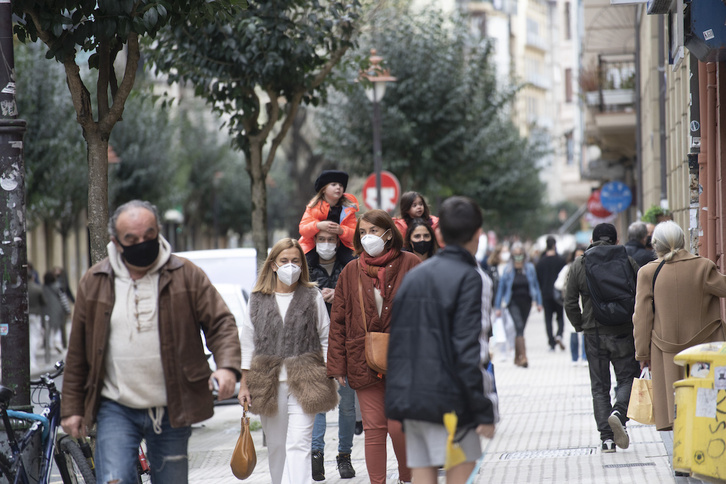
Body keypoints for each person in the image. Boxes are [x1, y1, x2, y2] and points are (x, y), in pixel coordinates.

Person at [61, 200, 242, 484]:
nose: (142, 243)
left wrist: (227, 367)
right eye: (132, 239)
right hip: (115, 405)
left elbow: (221, 322)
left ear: (158, 232)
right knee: (115, 479)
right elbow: (78, 349)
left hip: (173, 404)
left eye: (149, 235)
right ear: (116, 242)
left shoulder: (186, 274)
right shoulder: (95, 281)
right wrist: (72, 408)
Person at [386, 196, 498, 484]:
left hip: (412, 399)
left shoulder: (414, 276)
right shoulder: (472, 277)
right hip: (452, 401)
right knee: (460, 472)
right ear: (478, 234)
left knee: (423, 473)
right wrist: (482, 408)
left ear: (438, 233)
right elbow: (469, 348)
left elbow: (397, 343)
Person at [327, 209, 420, 484]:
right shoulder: (350, 270)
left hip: (404, 359)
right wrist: (337, 364)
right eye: (363, 232)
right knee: (374, 428)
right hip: (362, 357)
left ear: (389, 234)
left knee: (398, 425)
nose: (368, 237)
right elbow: (339, 320)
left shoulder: (411, 263)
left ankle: (407, 478)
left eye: (374, 231)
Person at [238, 238, 338, 484]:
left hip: (307, 380)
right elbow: (247, 341)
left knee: (299, 444)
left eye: (295, 261)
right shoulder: (258, 298)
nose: (290, 266)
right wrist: (243, 383)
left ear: (302, 265)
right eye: (284, 261)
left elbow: (325, 336)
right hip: (267, 382)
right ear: (273, 265)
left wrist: (328, 373)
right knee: (276, 446)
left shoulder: (312, 295)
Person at [633, 221, 726, 431]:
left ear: (656, 245)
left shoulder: (647, 273)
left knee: (675, 413)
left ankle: (682, 453)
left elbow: (642, 316)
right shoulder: (702, 267)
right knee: (705, 411)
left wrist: (642, 353)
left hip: (665, 353)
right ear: (683, 242)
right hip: (703, 352)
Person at [564, 223, 640, 453]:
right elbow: (642, 294)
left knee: (599, 387)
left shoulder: (580, 263)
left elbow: (569, 302)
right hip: (624, 331)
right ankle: (619, 412)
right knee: (628, 379)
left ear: (591, 240)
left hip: (594, 334)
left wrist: (580, 325)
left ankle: (607, 440)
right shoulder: (627, 260)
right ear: (616, 240)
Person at [306, 231, 357, 480]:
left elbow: (362, 299)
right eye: (321, 238)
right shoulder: (304, 267)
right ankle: (316, 455)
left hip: (345, 344)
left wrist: (340, 295)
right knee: (318, 404)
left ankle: (344, 456)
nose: (326, 243)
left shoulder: (350, 265)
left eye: (330, 238)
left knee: (347, 405)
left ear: (338, 241)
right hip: (314, 346)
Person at [494, 242, 543, 368]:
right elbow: (501, 288)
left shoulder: (530, 268)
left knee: (520, 329)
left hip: (526, 301)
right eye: (515, 254)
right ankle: (524, 357)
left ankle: (517, 357)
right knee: (519, 325)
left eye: (520, 254)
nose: (518, 256)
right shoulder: (508, 269)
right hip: (512, 302)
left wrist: (539, 302)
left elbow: (536, 286)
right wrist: (498, 306)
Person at [299, 170, 359, 253]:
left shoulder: (348, 209)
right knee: (307, 262)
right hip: (313, 245)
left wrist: (342, 231)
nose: (338, 187)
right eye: (333, 185)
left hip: (342, 245)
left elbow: (355, 234)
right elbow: (303, 230)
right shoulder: (313, 207)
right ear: (323, 189)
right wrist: (318, 226)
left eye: (341, 185)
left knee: (354, 262)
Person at [555, 246, 587, 366]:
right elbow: (558, 284)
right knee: (573, 329)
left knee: (585, 330)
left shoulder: (588, 266)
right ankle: (574, 357)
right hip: (572, 301)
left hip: (584, 301)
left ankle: (584, 357)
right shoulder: (568, 268)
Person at [536, 236, 567, 352]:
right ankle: (559, 334)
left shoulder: (540, 262)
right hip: (558, 293)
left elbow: (538, 279)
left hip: (546, 293)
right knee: (560, 316)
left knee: (548, 319)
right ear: (555, 245)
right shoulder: (561, 260)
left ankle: (551, 343)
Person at [42, 270, 70, 352]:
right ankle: (57, 343)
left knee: (48, 328)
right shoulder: (58, 287)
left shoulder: (43, 288)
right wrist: (68, 310)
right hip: (57, 310)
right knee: (57, 328)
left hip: (46, 310)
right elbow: (63, 299)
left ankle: (49, 344)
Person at [27, 266, 46, 369]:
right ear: (32, 278)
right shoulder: (37, 288)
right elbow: (44, 302)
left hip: (24, 316)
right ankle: (32, 361)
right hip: (35, 315)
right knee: (34, 338)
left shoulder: (21, 288)